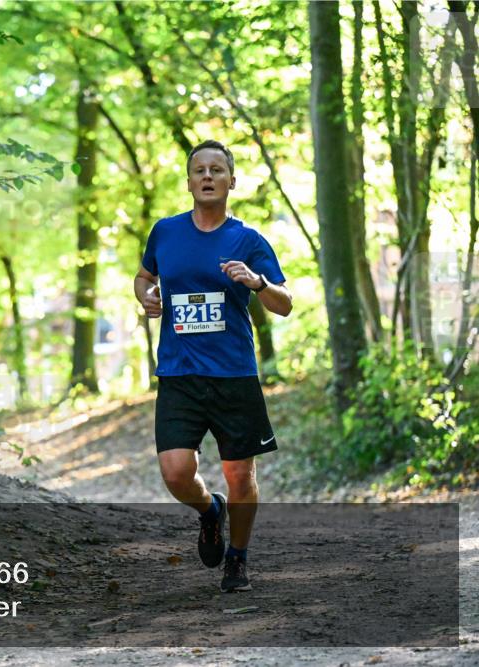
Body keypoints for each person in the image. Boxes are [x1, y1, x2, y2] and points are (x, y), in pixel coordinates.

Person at [133, 140, 292, 593]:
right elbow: (145, 276)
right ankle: (210, 511)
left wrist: (257, 281)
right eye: (199, 170)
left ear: (231, 182)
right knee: (176, 472)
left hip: (233, 373)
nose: (207, 176)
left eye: (217, 170)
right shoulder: (165, 232)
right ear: (188, 182)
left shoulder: (248, 239)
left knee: (240, 473)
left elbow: (284, 303)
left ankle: (237, 558)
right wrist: (145, 297)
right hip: (179, 373)